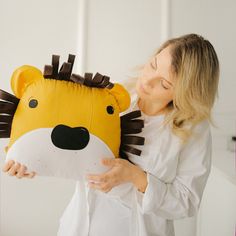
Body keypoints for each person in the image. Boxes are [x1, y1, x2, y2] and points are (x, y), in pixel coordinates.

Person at [2, 33, 220, 236]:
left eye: (164, 83)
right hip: (78, 227)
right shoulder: (113, 102)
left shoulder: (193, 130)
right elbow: (72, 154)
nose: (147, 80)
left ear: (186, 92)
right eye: (153, 65)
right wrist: (32, 163)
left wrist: (136, 177)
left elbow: (188, 202)